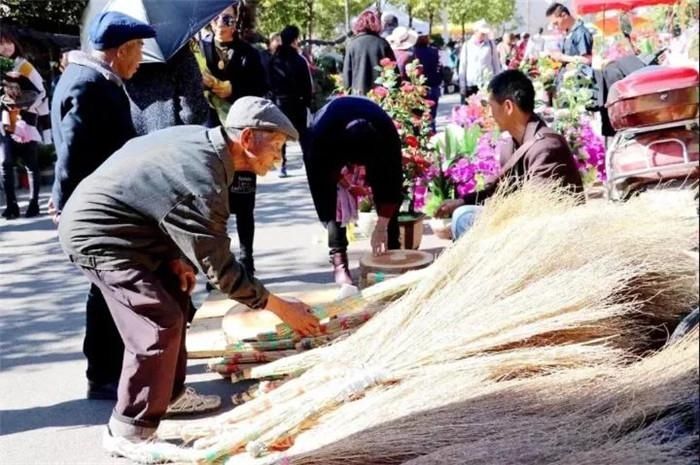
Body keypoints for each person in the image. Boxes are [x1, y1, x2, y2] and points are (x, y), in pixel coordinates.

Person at [57, 96, 321, 451]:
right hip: (100, 236)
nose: (279, 156)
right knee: (158, 320)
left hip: (135, 229)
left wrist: (176, 257)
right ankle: (128, 431)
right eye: (274, 145)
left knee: (178, 295)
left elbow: (161, 199)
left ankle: (170, 394)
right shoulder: (205, 178)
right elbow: (221, 269)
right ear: (247, 139)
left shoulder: (207, 148)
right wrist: (279, 307)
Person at [49, 11, 156, 400]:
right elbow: (74, 151)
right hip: (98, 207)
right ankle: (104, 372)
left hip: (97, 201)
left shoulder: (89, 79)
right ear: (122, 50)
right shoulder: (90, 85)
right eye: (139, 49)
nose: (141, 58)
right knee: (108, 287)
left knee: (108, 285)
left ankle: (112, 365)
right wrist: (63, 201)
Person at [436, 70, 583, 240]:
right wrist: (461, 201)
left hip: (552, 236)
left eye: (491, 107)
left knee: (465, 217)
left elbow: (539, 211)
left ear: (508, 107)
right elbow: (500, 191)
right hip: (525, 228)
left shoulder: (547, 147)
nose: (489, 115)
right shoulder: (511, 145)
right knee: (463, 211)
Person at [198, 4, 268, 276]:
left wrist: (231, 88)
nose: (221, 23)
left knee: (244, 202)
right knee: (212, 204)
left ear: (237, 20)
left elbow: (260, 92)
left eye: (227, 18)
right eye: (215, 17)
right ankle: (217, 266)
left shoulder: (249, 54)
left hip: (241, 139)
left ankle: (247, 260)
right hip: (208, 138)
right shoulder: (199, 52)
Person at [303, 96, 403, 284]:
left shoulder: (386, 136)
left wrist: (381, 227)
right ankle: (338, 259)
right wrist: (346, 183)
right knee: (333, 202)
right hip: (330, 139)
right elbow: (322, 173)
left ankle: (392, 250)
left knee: (388, 186)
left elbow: (392, 182)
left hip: (375, 134)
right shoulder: (320, 135)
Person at [0, 31, 47, 219]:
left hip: (26, 119)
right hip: (4, 120)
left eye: (8, 43)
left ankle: (34, 204)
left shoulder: (24, 66)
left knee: (30, 162)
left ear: (14, 43)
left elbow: (42, 91)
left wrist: (26, 106)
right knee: (5, 162)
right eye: (1, 44)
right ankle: (11, 206)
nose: (5, 48)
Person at [125, 43, 209, 135]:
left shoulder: (121, 50)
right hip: (174, 136)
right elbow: (193, 111)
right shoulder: (176, 46)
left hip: (136, 135)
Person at [267, 25, 313, 178]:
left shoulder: (274, 60)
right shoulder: (299, 60)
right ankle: (309, 163)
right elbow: (307, 85)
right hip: (297, 103)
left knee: (280, 137)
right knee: (303, 136)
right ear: (295, 40)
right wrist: (307, 103)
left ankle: (282, 165)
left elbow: (268, 83)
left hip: (279, 103)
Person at [343, 10, 396, 95]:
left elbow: (346, 78)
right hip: (380, 98)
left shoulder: (352, 45)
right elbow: (393, 74)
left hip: (358, 96)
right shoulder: (383, 44)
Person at [458, 20, 501, 103]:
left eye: (485, 34)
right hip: (471, 84)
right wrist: (462, 85)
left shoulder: (491, 45)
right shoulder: (467, 45)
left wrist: (497, 81)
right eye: (482, 33)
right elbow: (462, 66)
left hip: (487, 84)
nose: (484, 35)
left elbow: (496, 64)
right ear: (476, 31)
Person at [546, 3, 593, 67]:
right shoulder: (568, 32)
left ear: (564, 15)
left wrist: (562, 57)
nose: (555, 27)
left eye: (556, 23)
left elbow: (587, 60)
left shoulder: (580, 32)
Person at [413, 29, 442, 128]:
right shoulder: (434, 51)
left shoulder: (413, 52)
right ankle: (432, 134)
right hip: (433, 86)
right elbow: (439, 67)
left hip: (419, 88)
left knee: (418, 117)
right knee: (431, 116)